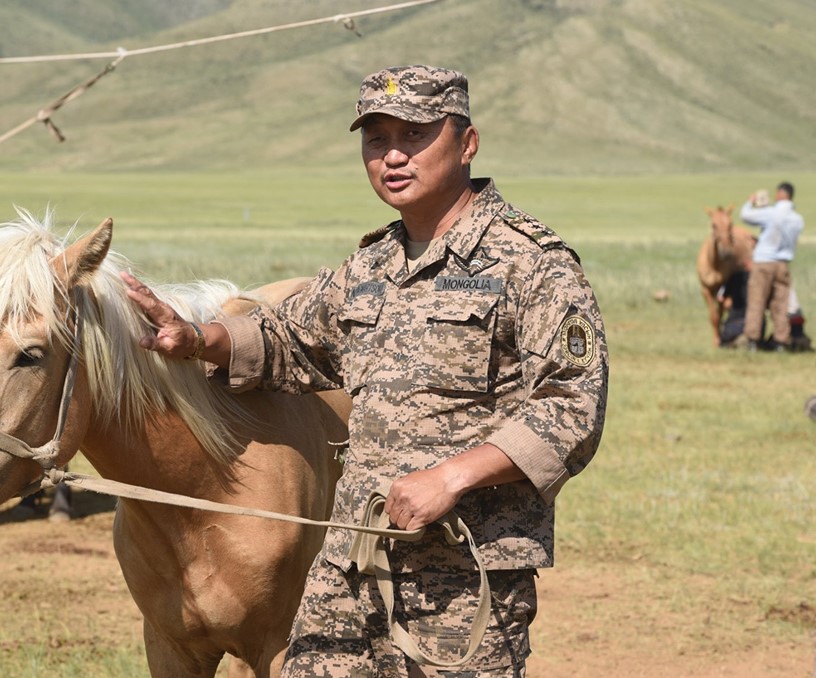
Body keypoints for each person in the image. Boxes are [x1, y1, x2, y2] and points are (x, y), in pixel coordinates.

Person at [122, 65, 609, 676]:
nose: (394, 157)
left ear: (467, 142)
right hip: (350, 564)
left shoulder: (532, 263)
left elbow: (573, 408)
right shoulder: (370, 265)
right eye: (377, 140)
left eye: (416, 136)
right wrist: (196, 338)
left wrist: (451, 478)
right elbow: (289, 338)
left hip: (462, 576)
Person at [738, 182, 805, 352]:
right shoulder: (798, 219)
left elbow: (746, 216)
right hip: (783, 265)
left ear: (781, 194)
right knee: (781, 304)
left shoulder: (771, 213)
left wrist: (750, 202)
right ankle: (781, 341)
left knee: (756, 301)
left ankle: (753, 339)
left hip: (764, 263)